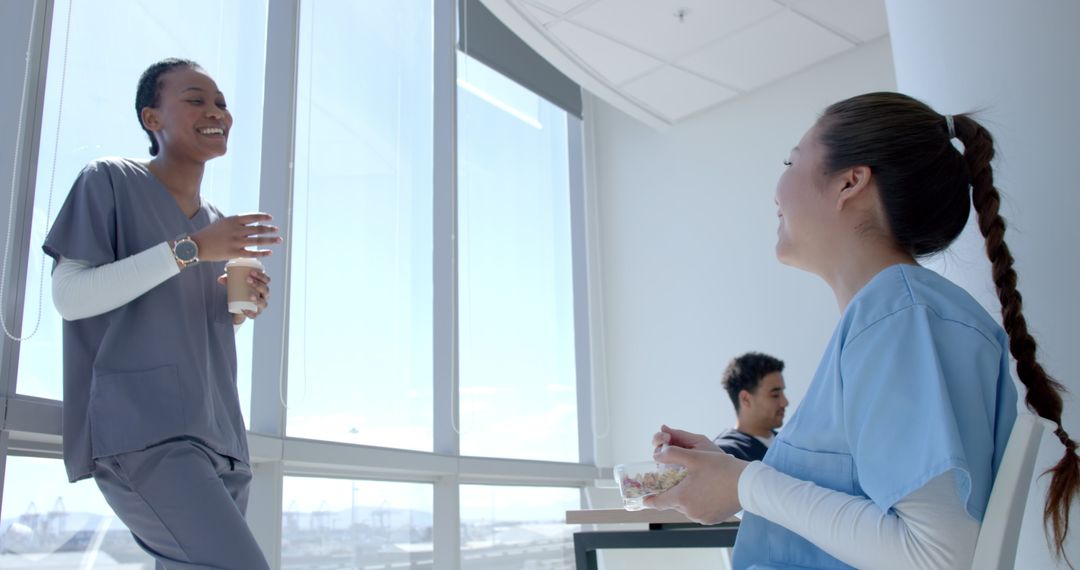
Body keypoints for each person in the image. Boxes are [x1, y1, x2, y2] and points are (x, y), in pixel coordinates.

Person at [647, 92, 1078, 569]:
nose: (776, 190)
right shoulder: (896, 316)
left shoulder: (903, 319)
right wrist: (736, 477)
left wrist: (744, 485)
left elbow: (934, 557)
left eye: (791, 161)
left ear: (850, 182)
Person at [44, 58, 281, 569]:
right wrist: (191, 249)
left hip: (222, 441)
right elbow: (69, 296)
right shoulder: (108, 180)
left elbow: (180, 319)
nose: (216, 110)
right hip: (147, 436)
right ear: (153, 119)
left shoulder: (216, 223)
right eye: (196, 99)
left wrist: (239, 308)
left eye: (220, 101)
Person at [713, 352, 788, 462]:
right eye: (775, 395)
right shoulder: (725, 455)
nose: (785, 402)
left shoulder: (793, 445)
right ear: (746, 399)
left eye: (783, 393)